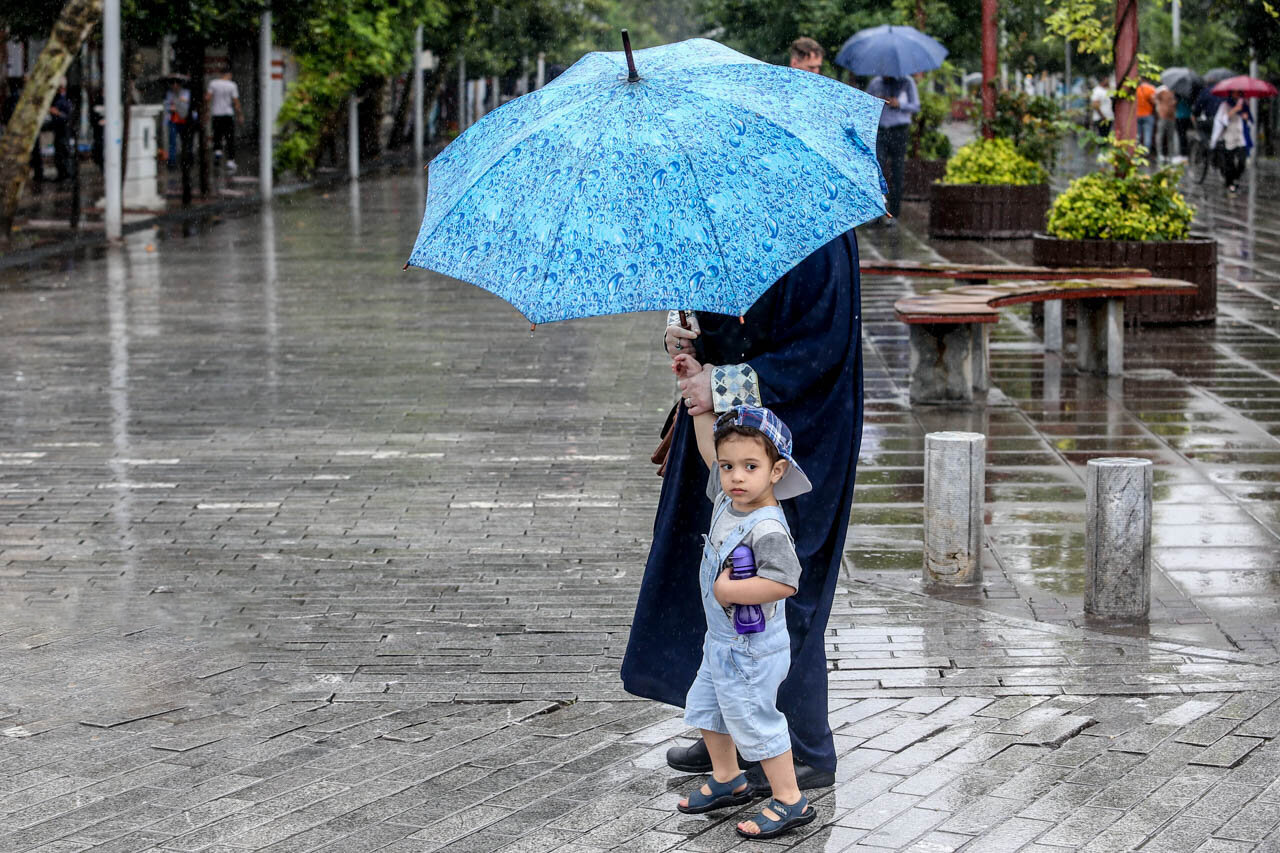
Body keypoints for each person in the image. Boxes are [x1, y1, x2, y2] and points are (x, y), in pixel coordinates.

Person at [621, 226, 864, 797]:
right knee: (714, 577)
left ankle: (800, 748)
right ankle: (728, 733)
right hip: (724, 436)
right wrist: (688, 343)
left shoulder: (817, 228)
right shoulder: (721, 207)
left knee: (778, 584)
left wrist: (722, 383)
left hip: (793, 439)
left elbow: (820, 347)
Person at [666, 393, 817, 840]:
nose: (735, 476)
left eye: (751, 467)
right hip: (721, 642)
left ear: (776, 470)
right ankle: (729, 777)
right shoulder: (727, 503)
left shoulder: (767, 525)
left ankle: (791, 800)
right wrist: (698, 408)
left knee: (755, 718)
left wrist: (728, 590)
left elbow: (785, 582)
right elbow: (708, 448)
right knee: (709, 710)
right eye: (728, 467)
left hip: (752, 647)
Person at [865, 74, 919, 225]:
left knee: (897, 171)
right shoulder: (875, 83)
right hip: (880, 130)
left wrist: (899, 104)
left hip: (899, 130)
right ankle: (875, 211)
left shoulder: (907, 82)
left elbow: (915, 106)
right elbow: (865, 104)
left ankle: (894, 213)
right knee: (876, 170)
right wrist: (877, 101)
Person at [1211, 93, 1250, 193]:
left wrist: (1246, 116)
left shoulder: (1244, 104)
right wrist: (1235, 110)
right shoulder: (1225, 105)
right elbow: (1222, 120)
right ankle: (1230, 183)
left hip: (1240, 137)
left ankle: (1234, 178)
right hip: (1229, 137)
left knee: (1242, 161)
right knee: (1229, 162)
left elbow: (1248, 119)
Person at [205, 70, 242, 172]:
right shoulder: (232, 85)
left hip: (216, 114)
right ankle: (230, 161)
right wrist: (240, 115)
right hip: (228, 114)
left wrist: (207, 111)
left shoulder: (213, 83)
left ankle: (217, 153)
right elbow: (236, 101)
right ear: (229, 74)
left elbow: (207, 98)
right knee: (229, 137)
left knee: (217, 136)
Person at [164, 78, 193, 168]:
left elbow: (188, 103)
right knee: (172, 141)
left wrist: (180, 100)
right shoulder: (169, 94)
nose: (175, 85)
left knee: (186, 141)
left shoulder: (186, 93)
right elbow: (167, 105)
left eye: (177, 83)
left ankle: (187, 159)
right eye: (172, 83)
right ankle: (172, 161)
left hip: (184, 119)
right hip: (173, 120)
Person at [49, 80, 74, 182]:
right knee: (60, 153)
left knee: (64, 152)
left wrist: (57, 113)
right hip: (59, 130)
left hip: (64, 130)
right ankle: (62, 174)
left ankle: (66, 174)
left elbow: (68, 117)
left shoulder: (65, 100)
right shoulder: (57, 99)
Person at [1154, 84, 1178, 162]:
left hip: (1171, 116)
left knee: (1169, 136)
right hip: (1163, 115)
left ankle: (1170, 155)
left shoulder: (1174, 92)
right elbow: (1155, 99)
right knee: (1161, 135)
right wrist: (1158, 108)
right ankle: (1160, 154)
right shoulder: (1162, 91)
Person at [1135, 77, 1156, 151]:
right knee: (1148, 134)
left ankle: (1136, 151)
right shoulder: (1151, 89)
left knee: (1138, 135)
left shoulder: (1137, 89)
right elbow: (1154, 102)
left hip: (1137, 115)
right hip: (1148, 114)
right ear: (1149, 80)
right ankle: (1146, 152)